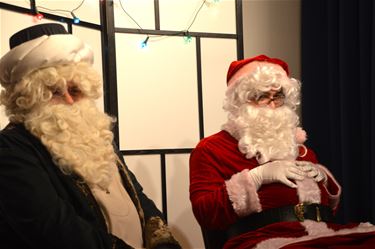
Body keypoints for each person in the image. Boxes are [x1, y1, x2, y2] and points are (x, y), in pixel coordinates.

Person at [0, 23, 181, 249]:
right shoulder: (10, 149)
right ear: (26, 99)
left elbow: (139, 198)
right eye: (54, 92)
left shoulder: (95, 135)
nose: (68, 100)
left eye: (75, 90)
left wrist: (164, 244)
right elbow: (57, 231)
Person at [189, 54, 375, 249]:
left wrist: (323, 178)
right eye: (262, 96)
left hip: (322, 234)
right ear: (240, 101)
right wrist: (255, 178)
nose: (272, 104)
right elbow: (205, 213)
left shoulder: (299, 148)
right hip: (261, 239)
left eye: (278, 96)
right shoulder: (211, 149)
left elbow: (327, 209)